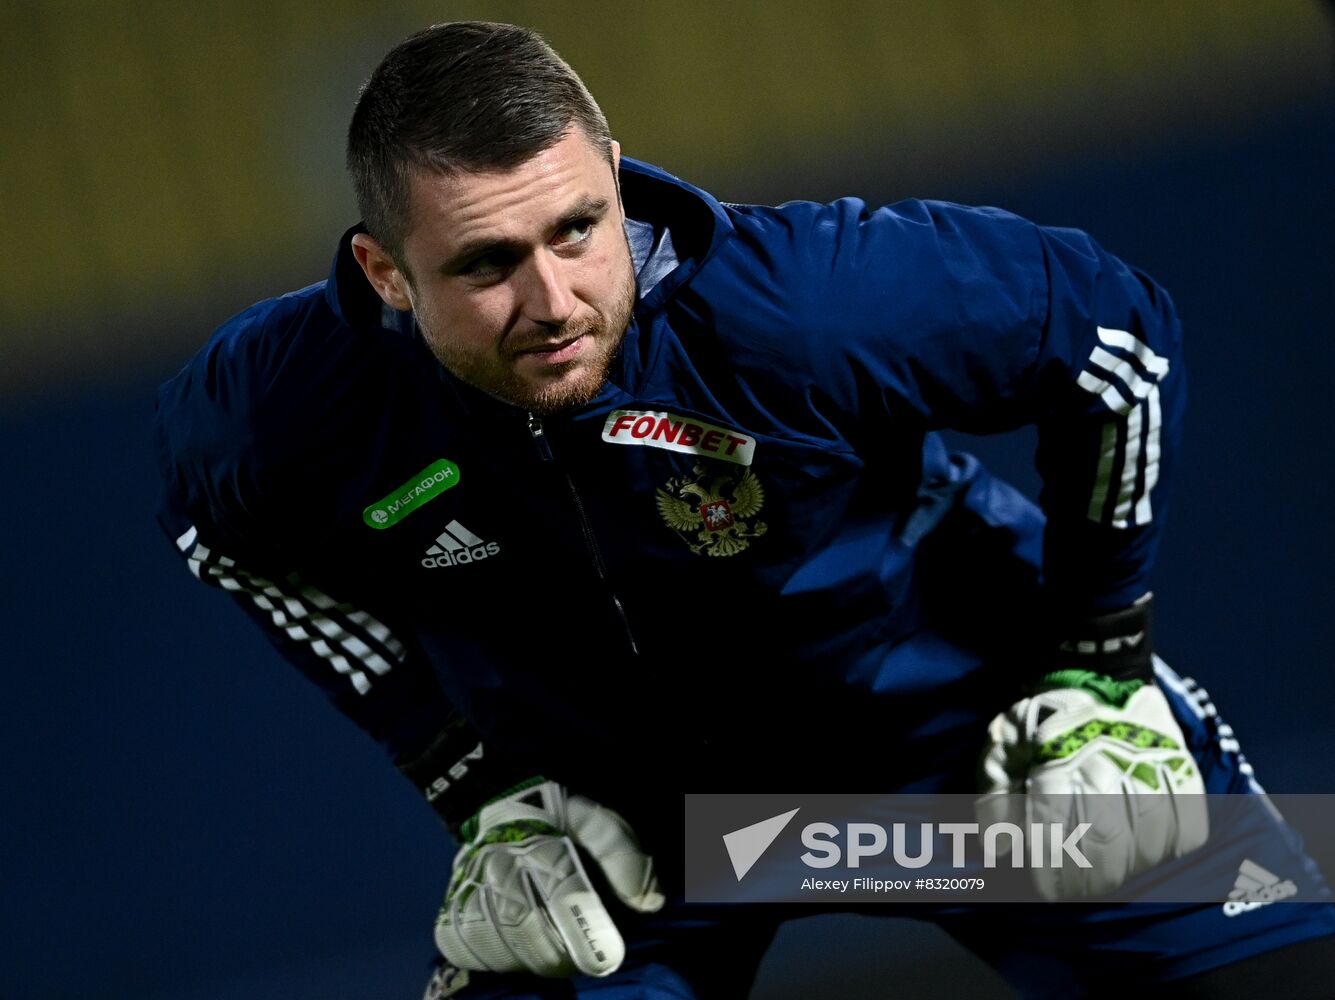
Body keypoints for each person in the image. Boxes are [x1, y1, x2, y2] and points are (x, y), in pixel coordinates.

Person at [154, 20, 1335, 1000]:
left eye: (578, 228)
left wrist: (1098, 664)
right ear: (383, 274)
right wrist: (479, 791)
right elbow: (218, 539)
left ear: (614, 176)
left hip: (973, 752)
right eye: (485, 263)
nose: (554, 299)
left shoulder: (812, 306)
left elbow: (1115, 343)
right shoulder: (288, 409)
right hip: (630, 829)